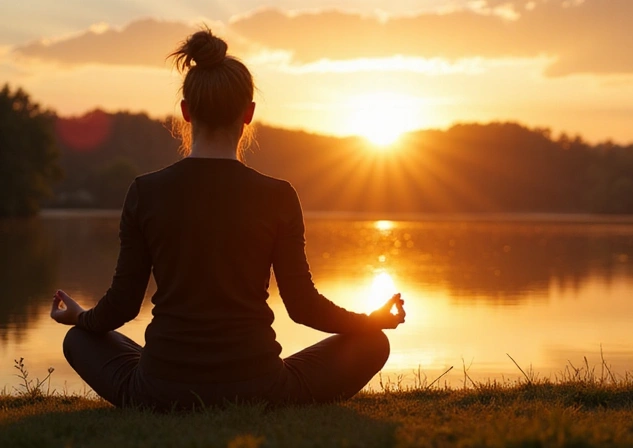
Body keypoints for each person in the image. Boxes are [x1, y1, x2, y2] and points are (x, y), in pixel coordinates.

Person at [50, 28, 406, 411]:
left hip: (160, 390)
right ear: (248, 113)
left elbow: (122, 306)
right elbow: (303, 307)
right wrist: (370, 321)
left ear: (186, 111)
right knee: (373, 342)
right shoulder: (278, 195)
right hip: (262, 389)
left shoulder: (145, 191)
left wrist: (80, 317)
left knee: (78, 339)